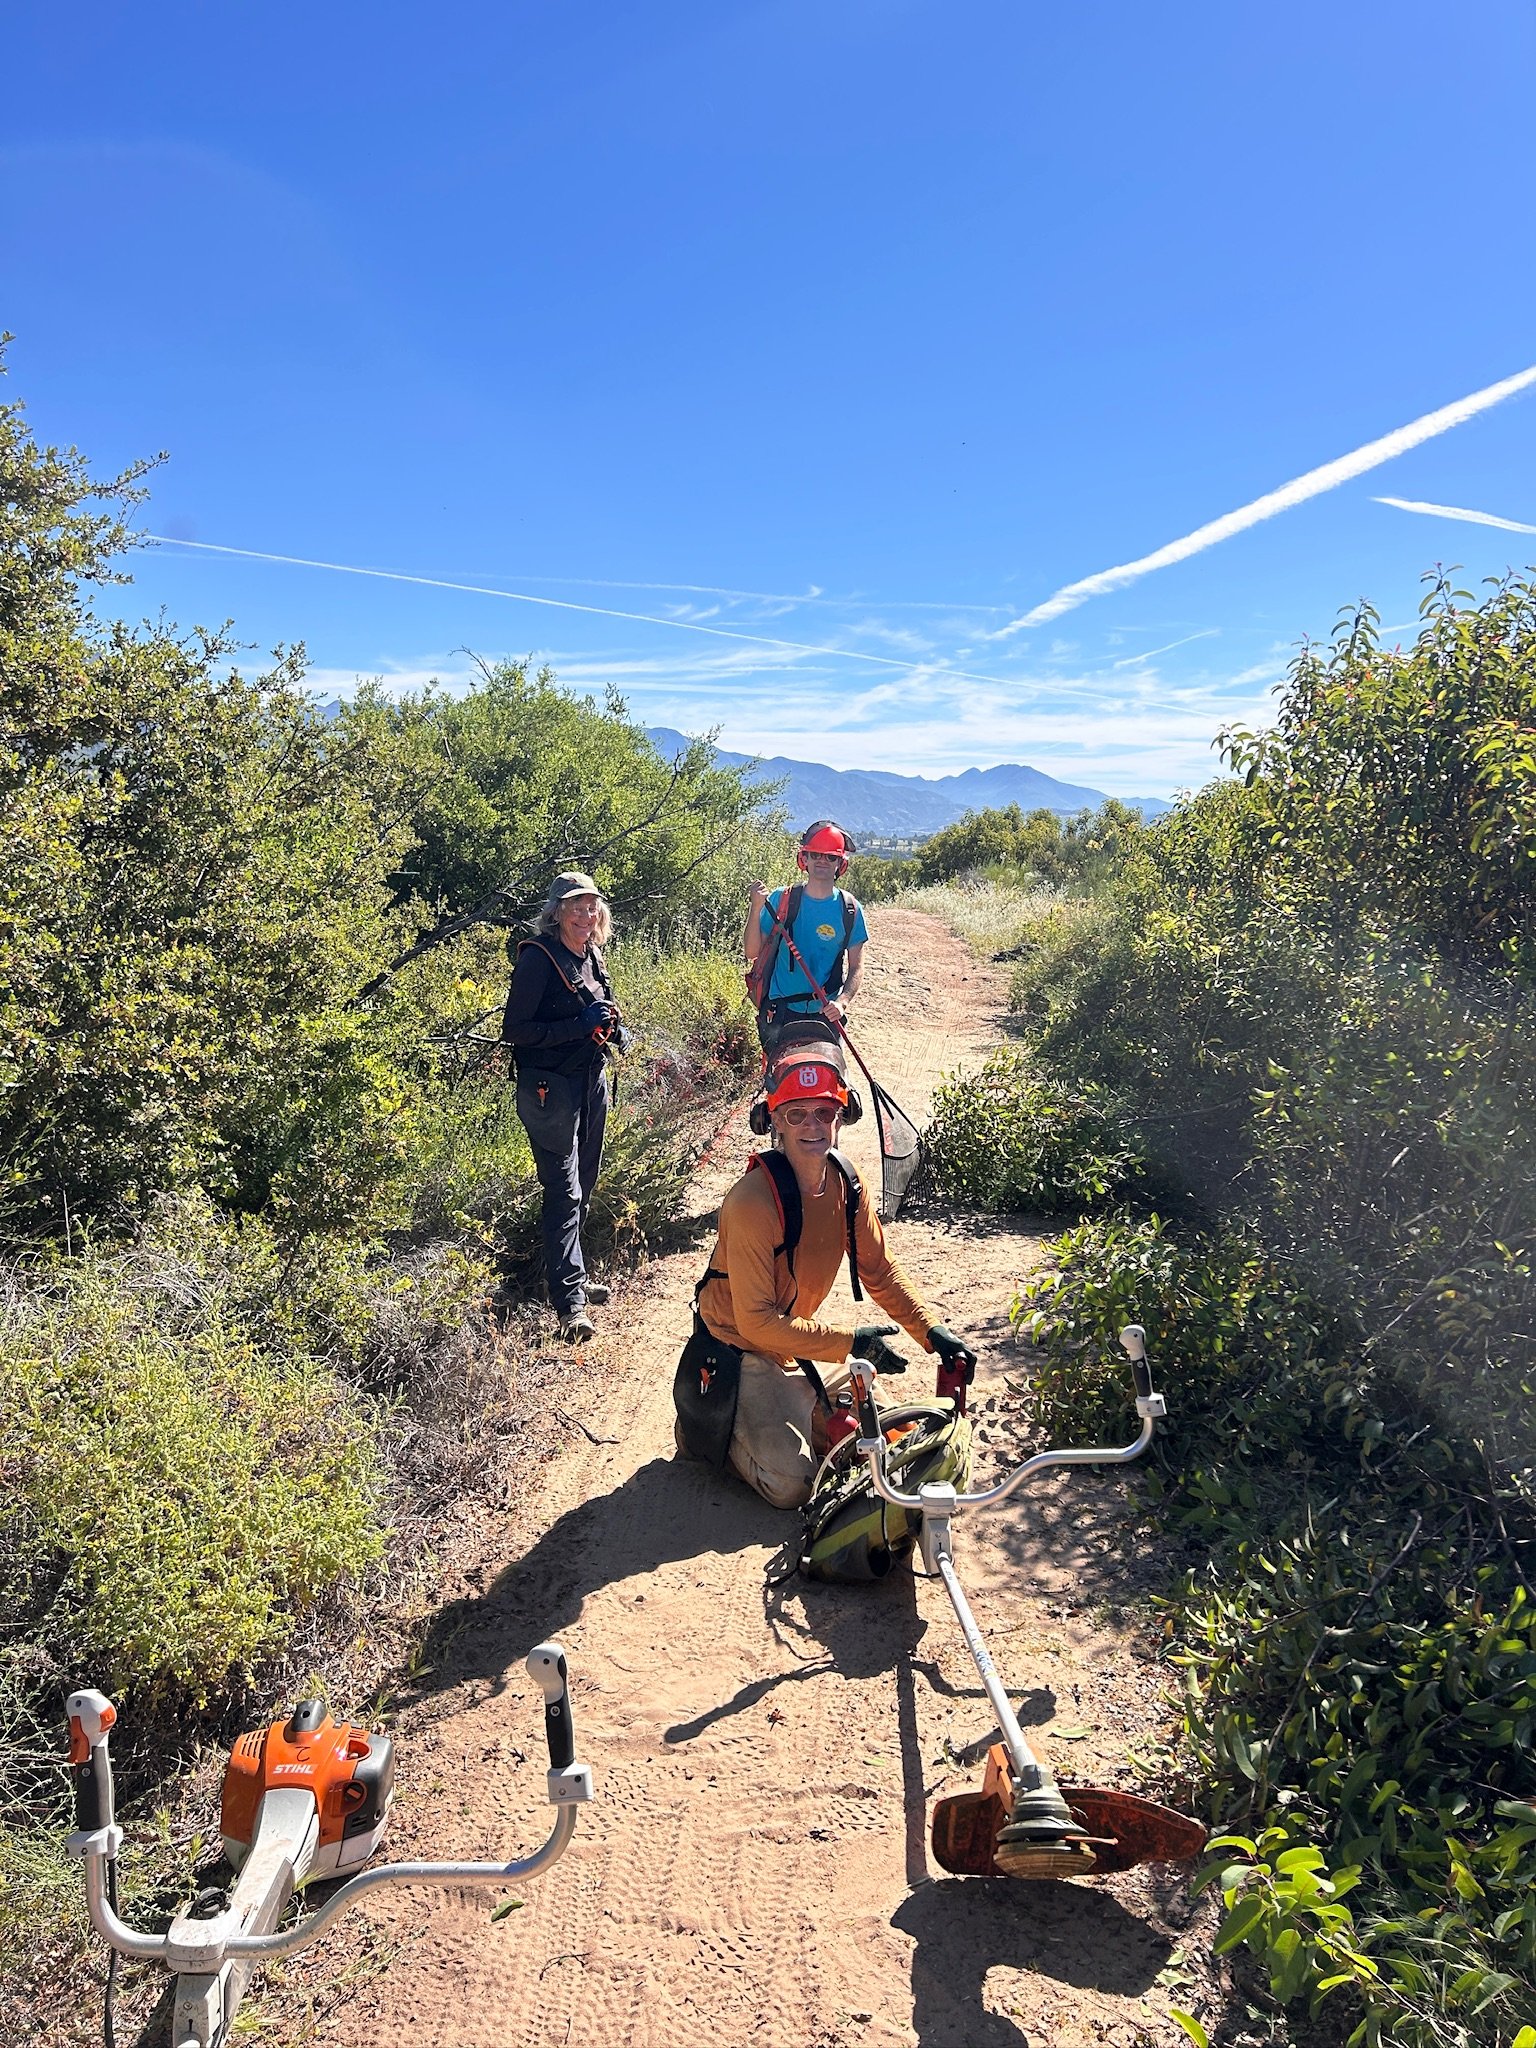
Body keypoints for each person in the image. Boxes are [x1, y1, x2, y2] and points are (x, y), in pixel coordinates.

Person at [677, 1040, 978, 1508]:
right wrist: (848, 1342)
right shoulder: (751, 1203)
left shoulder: (845, 1181)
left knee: (880, 1409)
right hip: (740, 1351)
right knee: (792, 1485)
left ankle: (801, 1404)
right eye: (796, 1114)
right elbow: (755, 1321)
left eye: (824, 1112)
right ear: (773, 1121)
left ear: (842, 1116)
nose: (812, 1126)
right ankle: (708, 1427)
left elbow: (878, 1269)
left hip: (790, 1349)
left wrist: (931, 1332)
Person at [500, 872, 628, 1344]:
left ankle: (571, 1274)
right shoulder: (538, 960)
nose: (584, 914)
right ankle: (570, 1306)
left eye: (591, 906)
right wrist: (577, 1026)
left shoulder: (591, 953)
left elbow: (601, 1009)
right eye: (575, 906)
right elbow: (515, 1029)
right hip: (549, 1090)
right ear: (555, 912)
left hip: (590, 1079)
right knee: (564, 1189)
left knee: (585, 1179)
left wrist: (615, 1030)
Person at [743, 820, 868, 1055]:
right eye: (816, 854)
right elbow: (752, 952)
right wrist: (756, 907)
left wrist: (842, 1002)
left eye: (830, 857)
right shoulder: (782, 899)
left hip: (825, 1013)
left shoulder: (850, 909)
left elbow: (856, 967)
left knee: (834, 1083)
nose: (822, 860)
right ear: (805, 859)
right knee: (782, 1085)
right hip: (781, 1013)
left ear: (840, 864)